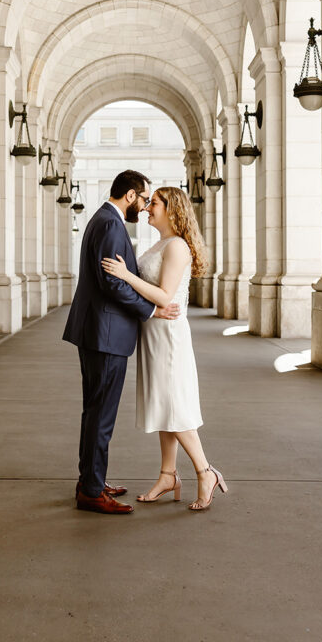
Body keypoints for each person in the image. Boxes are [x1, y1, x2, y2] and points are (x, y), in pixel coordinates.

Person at [101, 186, 227, 511]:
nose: (146, 208)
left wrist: (126, 276)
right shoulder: (158, 243)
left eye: (153, 203)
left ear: (172, 209)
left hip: (168, 334)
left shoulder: (178, 247)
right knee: (163, 405)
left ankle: (205, 471)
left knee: (175, 404)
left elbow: (165, 297)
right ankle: (168, 475)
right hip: (153, 333)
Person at [63, 170, 180, 515]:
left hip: (99, 331)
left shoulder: (102, 219)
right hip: (106, 334)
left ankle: (90, 481)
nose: (144, 207)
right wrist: (151, 311)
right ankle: (92, 490)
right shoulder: (112, 225)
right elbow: (112, 284)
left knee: (94, 411)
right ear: (130, 195)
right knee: (101, 414)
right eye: (144, 199)